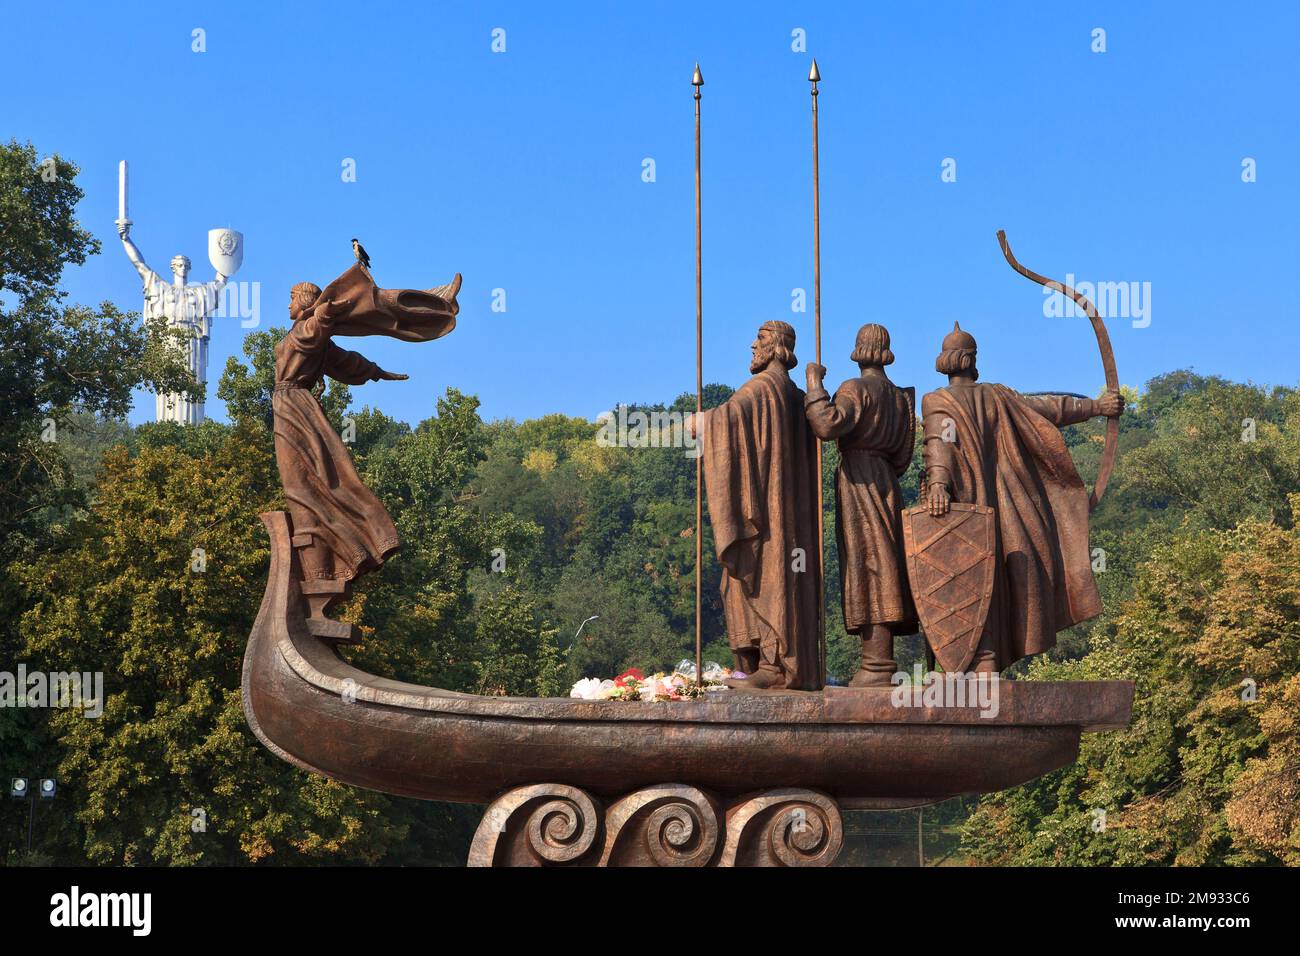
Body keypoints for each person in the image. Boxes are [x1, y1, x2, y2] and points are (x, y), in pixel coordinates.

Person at [920, 322, 1124, 671]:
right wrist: (1095, 406)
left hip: (967, 507)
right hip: (994, 507)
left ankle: (984, 660)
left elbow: (940, 444)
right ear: (970, 361)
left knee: (973, 579)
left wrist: (939, 484)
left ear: (945, 362)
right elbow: (1048, 408)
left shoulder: (938, 400)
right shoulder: (996, 396)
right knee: (990, 578)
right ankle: (983, 660)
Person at [692, 321, 822, 690]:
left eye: (761, 339)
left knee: (757, 579)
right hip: (789, 515)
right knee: (739, 585)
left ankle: (772, 665)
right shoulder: (795, 395)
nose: (753, 345)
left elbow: (729, 418)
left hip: (768, 518)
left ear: (778, 346)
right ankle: (761, 664)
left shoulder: (762, 388)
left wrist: (701, 423)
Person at [804, 323, 917, 686]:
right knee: (884, 558)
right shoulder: (901, 397)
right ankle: (879, 660)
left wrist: (814, 384)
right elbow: (903, 456)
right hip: (886, 479)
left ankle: (876, 664)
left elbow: (826, 424)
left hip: (858, 479)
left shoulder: (854, 389)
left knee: (869, 562)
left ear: (858, 350)